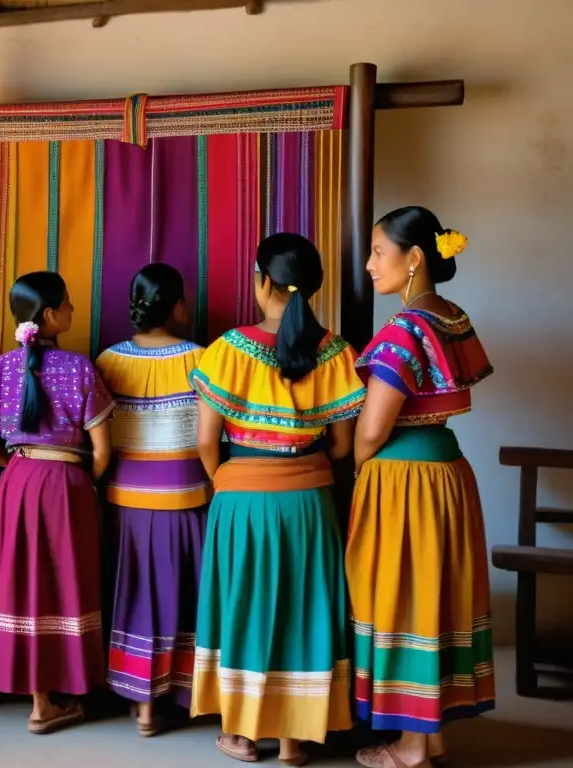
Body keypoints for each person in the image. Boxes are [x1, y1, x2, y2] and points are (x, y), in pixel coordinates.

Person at [189, 233, 365, 764]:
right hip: (310, 501)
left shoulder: (228, 350)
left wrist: (232, 479)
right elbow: (340, 445)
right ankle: (296, 738)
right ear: (313, 287)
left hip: (242, 499)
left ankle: (243, 733)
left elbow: (204, 441)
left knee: (245, 608)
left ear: (261, 280)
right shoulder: (336, 351)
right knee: (304, 609)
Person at [348, 207, 494, 768]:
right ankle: (429, 737)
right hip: (448, 474)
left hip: (406, 481)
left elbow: (374, 426)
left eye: (378, 252)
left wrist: (358, 465)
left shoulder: (406, 327)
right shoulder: (451, 315)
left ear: (414, 259)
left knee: (405, 598)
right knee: (438, 597)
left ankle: (411, 746)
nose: (368, 265)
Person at [0, 271, 114, 735]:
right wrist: (82, 482)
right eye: (67, 304)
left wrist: (12, 464)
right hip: (65, 482)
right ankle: (66, 689)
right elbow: (104, 451)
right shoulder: (81, 369)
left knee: (23, 582)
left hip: (19, 480)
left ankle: (39, 701)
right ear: (50, 316)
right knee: (67, 579)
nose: (72, 311)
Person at [94, 264, 209, 736]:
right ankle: (181, 690)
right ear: (179, 307)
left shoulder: (107, 360)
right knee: (184, 594)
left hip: (127, 500)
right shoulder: (202, 359)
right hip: (187, 496)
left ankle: (140, 699)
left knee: (136, 593)